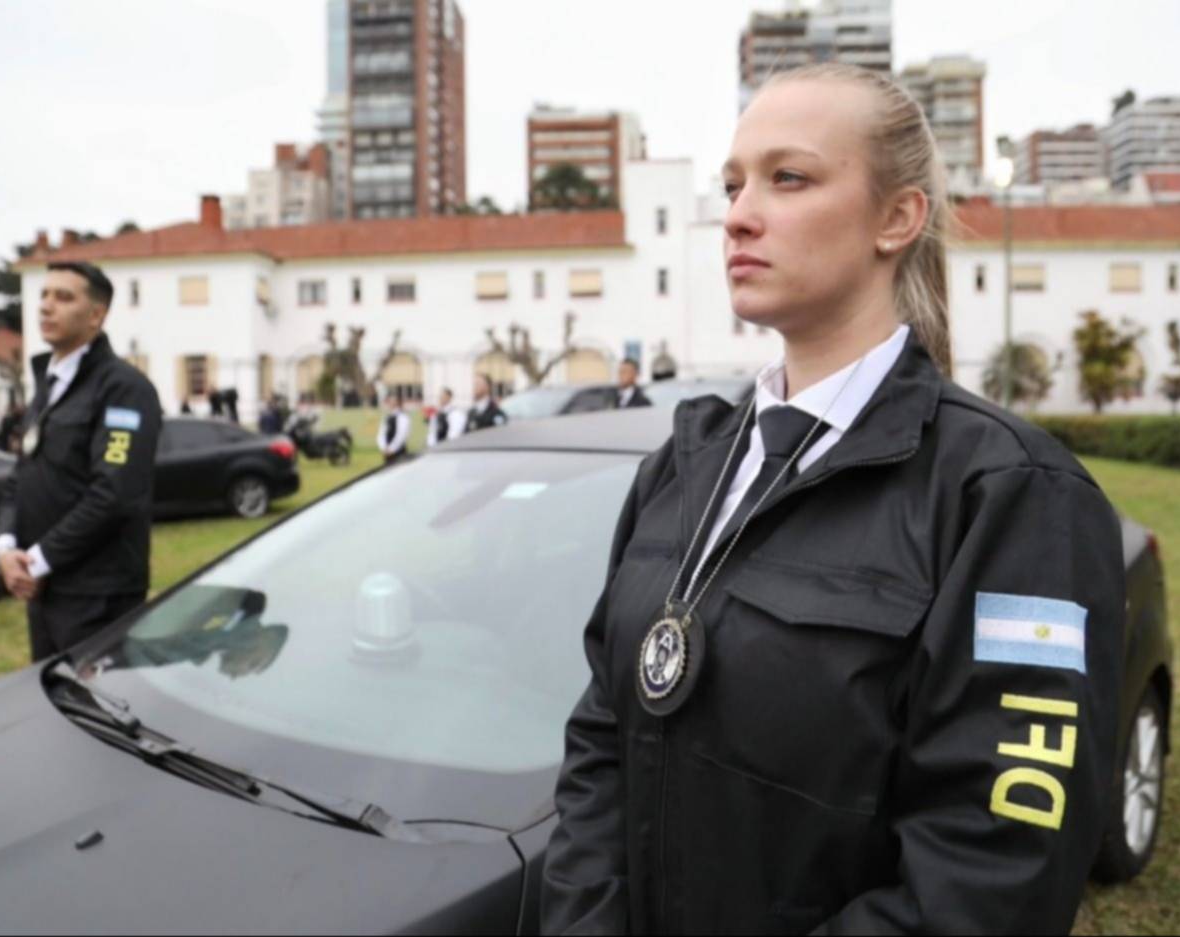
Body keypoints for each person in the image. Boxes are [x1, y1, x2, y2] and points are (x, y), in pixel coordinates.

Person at [541, 63, 1124, 935]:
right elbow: (602, 733)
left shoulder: (1010, 498)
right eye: (732, 184)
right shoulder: (682, 464)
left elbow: (994, 871)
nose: (738, 215)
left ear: (897, 218)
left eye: (788, 177)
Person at [0, 262, 163, 663]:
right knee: (47, 692)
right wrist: (6, 547)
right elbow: (22, 473)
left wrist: (38, 559)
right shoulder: (50, 382)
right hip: (46, 585)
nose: (46, 306)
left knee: (93, 699)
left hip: (98, 593)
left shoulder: (124, 389)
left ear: (95, 315)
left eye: (64, 297)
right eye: (44, 295)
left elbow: (114, 493)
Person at [375, 392, 411, 465]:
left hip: (398, 451)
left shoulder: (403, 417)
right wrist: (384, 447)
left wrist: (392, 449)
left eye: (392, 400)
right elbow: (381, 433)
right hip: (387, 451)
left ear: (398, 402)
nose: (390, 402)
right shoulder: (387, 417)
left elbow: (401, 435)